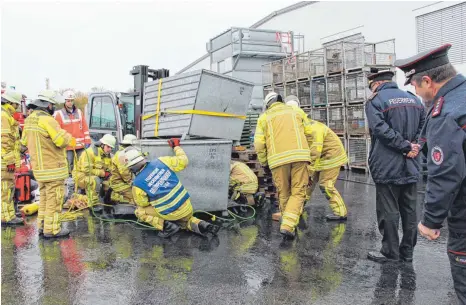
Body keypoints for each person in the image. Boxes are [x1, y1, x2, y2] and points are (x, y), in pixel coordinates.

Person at [396, 44, 466, 303]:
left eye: (415, 85)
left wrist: (431, 221)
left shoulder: (446, 112)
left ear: (427, 80)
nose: (416, 92)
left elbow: (446, 172)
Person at [364, 69, 425, 263]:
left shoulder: (376, 101)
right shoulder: (414, 100)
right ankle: (407, 252)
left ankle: (390, 252)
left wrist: (404, 146)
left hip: (387, 164)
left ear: (375, 84)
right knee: (410, 210)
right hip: (412, 163)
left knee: (388, 210)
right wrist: (413, 147)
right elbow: (424, 127)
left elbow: (380, 129)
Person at [122, 138, 220, 238]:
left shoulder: (137, 184)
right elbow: (183, 161)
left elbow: (143, 203)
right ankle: (202, 225)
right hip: (187, 206)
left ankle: (167, 226)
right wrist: (176, 147)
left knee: (139, 211)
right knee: (185, 220)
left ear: (130, 168)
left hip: (169, 214)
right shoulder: (161, 161)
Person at [254, 92, 311, 240]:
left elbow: (259, 144)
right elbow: (310, 133)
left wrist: (264, 162)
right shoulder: (296, 112)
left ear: (268, 104)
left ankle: (287, 223)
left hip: (277, 160)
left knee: (284, 192)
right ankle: (288, 225)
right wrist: (310, 155)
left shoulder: (264, 118)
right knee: (298, 191)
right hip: (300, 156)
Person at [21, 90, 76, 238]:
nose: (53, 107)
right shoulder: (48, 120)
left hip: (39, 169)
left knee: (44, 199)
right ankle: (52, 230)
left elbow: (24, 142)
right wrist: (69, 136)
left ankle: (42, 226)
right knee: (55, 200)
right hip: (52, 168)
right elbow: (60, 140)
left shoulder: (30, 120)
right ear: (47, 105)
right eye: (52, 104)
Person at [285, 95, 348, 221]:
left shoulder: (314, 129)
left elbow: (315, 152)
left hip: (331, 157)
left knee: (326, 185)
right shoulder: (303, 127)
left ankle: (341, 213)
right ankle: (298, 208)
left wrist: (309, 171)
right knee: (306, 185)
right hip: (321, 158)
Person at [75, 134, 115, 215]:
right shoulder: (89, 153)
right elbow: (86, 170)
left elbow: (110, 168)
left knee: (111, 181)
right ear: (102, 145)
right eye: (108, 147)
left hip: (96, 175)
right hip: (81, 176)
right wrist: (102, 173)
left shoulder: (107, 155)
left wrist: (110, 174)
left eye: (111, 148)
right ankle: (93, 205)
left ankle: (105, 199)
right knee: (95, 181)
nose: (110, 149)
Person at [53, 90, 91, 173]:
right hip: (68, 146)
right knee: (69, 166)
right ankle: (70, 182)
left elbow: (85, 128)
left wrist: (87, 141)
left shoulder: (79, 112)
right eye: (68, 101)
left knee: (82, 164)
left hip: (81, 146)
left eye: (71, 101)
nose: (70, 103)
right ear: (65, 101)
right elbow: (57, 131)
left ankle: (80, 181)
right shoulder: (59, 114)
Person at [1, 90, 24, 225]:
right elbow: (4, 140)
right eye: (16, 105)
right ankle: (5, 217)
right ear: (11, 103)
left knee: (8, 187)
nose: (16, 108)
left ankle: (9, 214)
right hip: (4, 160)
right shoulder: (3, 116)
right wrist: (10, 160)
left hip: (5, 159)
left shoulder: (6, 115)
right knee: (5, 189)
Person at [108, 134, 137, 204]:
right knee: (136, 198)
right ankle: (115, 196)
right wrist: (132, 183)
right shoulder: (122, 155)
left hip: (123, 181)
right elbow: (124, 172)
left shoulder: (124, 153)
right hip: (118, 183)